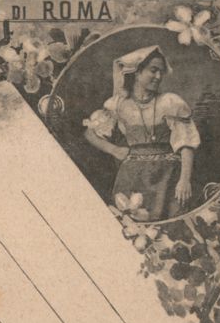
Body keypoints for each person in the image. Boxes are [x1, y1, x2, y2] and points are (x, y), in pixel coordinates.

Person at [83, 45, 201, 221]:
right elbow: (90, 134)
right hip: (131, 178)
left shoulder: (170, 102)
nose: (158, 77)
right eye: (153, 71)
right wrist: (114, 150)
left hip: (167, 177)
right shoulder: (119, 104)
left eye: (161, 72)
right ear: (136, 73)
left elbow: (186, 143)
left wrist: (184, 180)